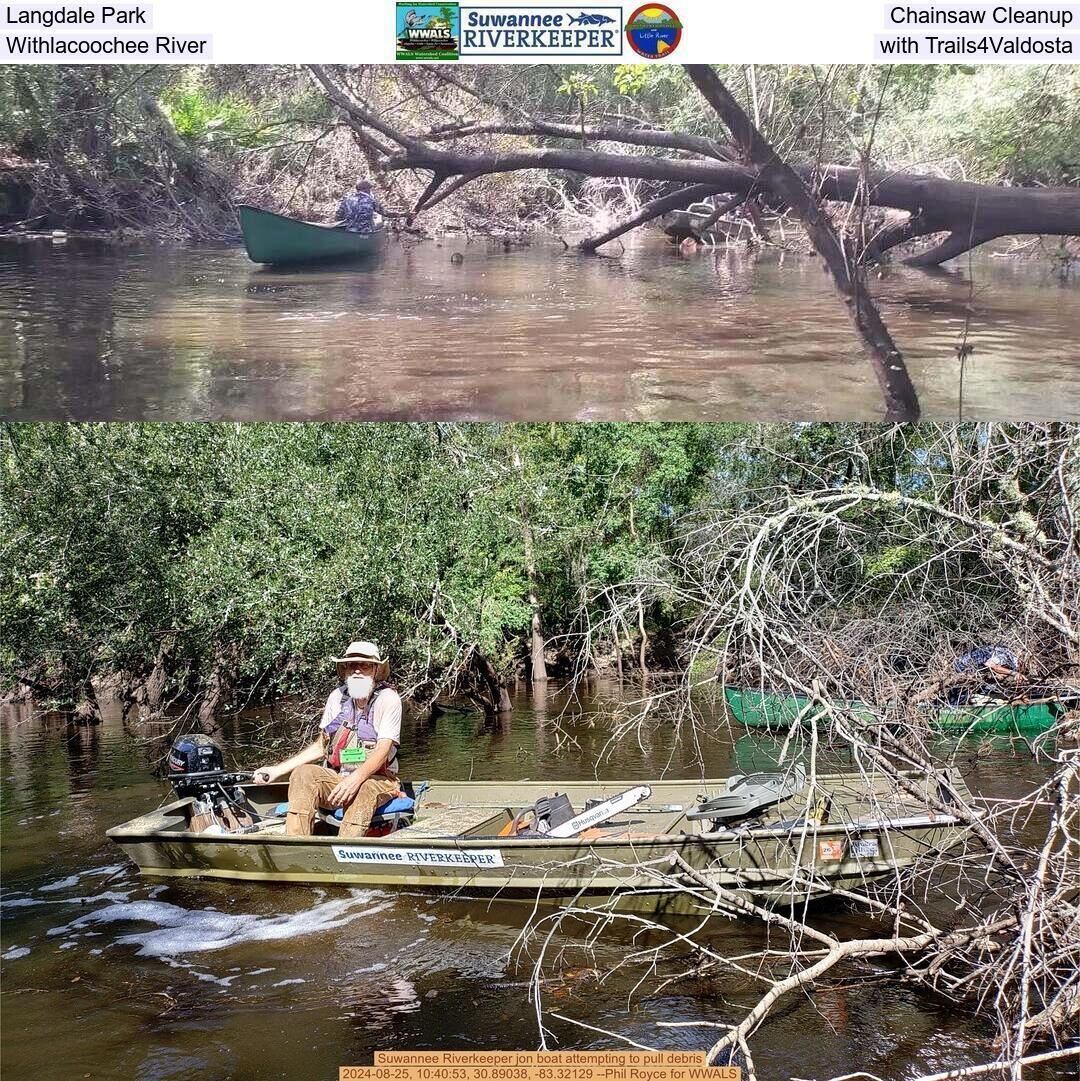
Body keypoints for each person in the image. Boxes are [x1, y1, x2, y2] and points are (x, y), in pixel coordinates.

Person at [253, 641, 402, 838]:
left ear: (376, 669)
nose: (357, 670)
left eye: (364, 665)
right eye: (351, 665)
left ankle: (346, 851)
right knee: (303, 774)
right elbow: (321, 746)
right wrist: (276, 771)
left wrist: (355, 779)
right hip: (340, 776)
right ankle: (295, 846)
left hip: (379, 780)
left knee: (363, 789)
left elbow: (383, 750)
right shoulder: (337, 697)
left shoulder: (388, 699)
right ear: (345, 670)